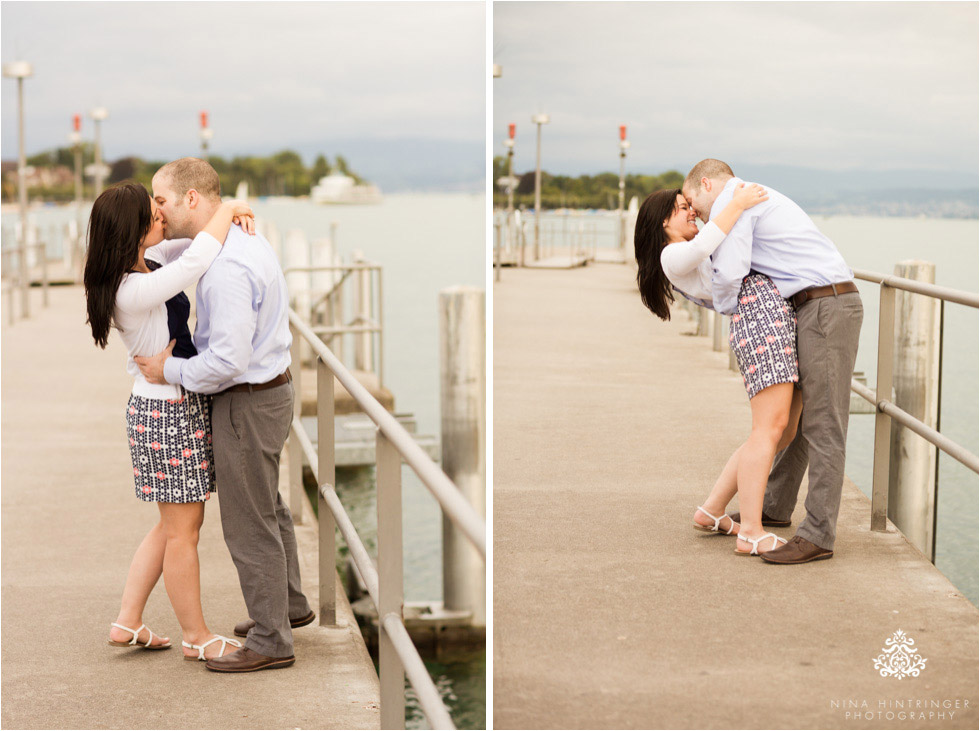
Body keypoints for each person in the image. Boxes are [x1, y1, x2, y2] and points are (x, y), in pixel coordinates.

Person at [135, 157, 314, 673]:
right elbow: (167, 252)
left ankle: (270, 640)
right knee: (270, 508)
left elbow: (226, 362)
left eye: (162, 201)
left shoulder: (227, 269)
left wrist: (170, 370)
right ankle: (290, 607)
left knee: (247, 522)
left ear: (192, 199)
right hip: (271, 391)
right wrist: (231, 205)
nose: (159, 212)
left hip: (246, 400)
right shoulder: (228, 242)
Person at [84, 181, 255, 660]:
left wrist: (218, 219)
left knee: (168, 526)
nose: (162, 214)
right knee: (184, 530)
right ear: (134, 229)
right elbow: (198, 259)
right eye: (153, 211)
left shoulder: (147, 264)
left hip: (168, 404)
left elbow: (189, 242)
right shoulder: (133, 288)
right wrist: (232, 208)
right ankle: (196, 637)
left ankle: (127, 620)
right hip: (166, 412)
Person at [682, 158, 863, 564]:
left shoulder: (736, 201)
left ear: (706, 184)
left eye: (691, 200)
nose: (692, 211)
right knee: (796, 423)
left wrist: (730, 308)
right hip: (812, 305)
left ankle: (817, 535)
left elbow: (730, 273)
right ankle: (774, 508)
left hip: (826, 305)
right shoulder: (741, 199)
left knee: (823, 424)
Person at [635, 182, 801, 556]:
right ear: (664, 222)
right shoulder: (671, 255)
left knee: (784, 430)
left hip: (764, 316)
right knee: (769, 429)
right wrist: (738, 202)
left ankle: (712, 509)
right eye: (682, 208)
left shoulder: (681, 255)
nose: (691, 211)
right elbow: (705, 243)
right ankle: (752, 532)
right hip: (758, 319)